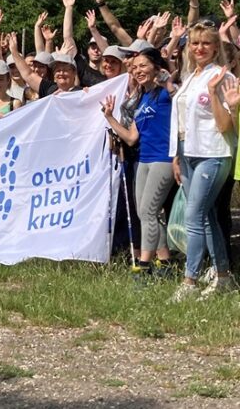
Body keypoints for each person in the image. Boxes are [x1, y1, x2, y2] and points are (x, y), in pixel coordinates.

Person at [168, 22, 237, 301]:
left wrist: (213, 92)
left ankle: (190, 281)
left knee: (194, 216)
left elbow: (226, 126)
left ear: (216, 47)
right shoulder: (189, 78)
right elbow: (183, 120)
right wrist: (176, 155)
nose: (200, 48)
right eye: (195, 43)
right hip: (186, 151)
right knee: (207, 218)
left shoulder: (224, 77)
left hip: (212, 152)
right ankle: (223, 277)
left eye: (206, 43)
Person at [101, 48, 175, 276]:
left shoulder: (166, 92)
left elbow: (172, 82)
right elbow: (132, 138)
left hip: (164, 159)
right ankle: (165, 262)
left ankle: (144, 266)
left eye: (143, 66)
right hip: (144, 159)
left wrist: (162, 72)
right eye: (135, 68)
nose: (138, 71)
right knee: (145, 213)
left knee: (148, 211)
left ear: (155, 66)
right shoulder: (142, 99)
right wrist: (110, 117)